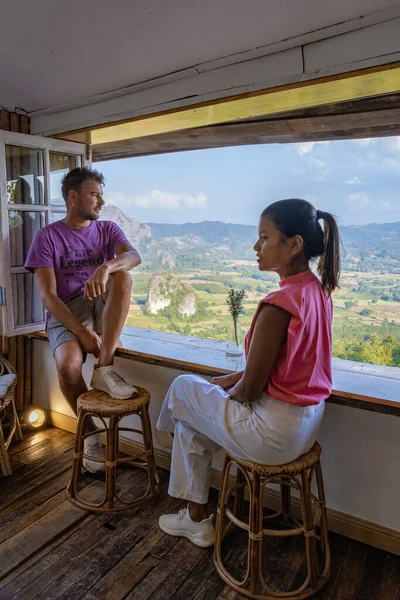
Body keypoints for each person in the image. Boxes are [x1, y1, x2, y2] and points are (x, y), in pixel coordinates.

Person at [156, 198, 340, 548]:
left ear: (295, 244)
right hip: (306, 424)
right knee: (193, 420)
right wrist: (224, 383)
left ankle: (164, 436)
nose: (256, 247)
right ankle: (196, 520)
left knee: (182, 387)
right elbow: (281, 366)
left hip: (271, 436)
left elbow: (251, 391)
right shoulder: (317, 292)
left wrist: (222, 395)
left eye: (264, 237)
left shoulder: (278, 304)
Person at [25, 167, 141, 473]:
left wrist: (106, 267)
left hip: (99, 305)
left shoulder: (107, 230)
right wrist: (82, 333)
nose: (101, 202)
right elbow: (49, 297)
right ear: (74, 197)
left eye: (101, 194)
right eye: (95, 194)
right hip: (66, 312)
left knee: (123, 277)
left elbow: (134, 256)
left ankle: (105, 368)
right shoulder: (47, 237)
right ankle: (90, 436)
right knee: (67, 367)